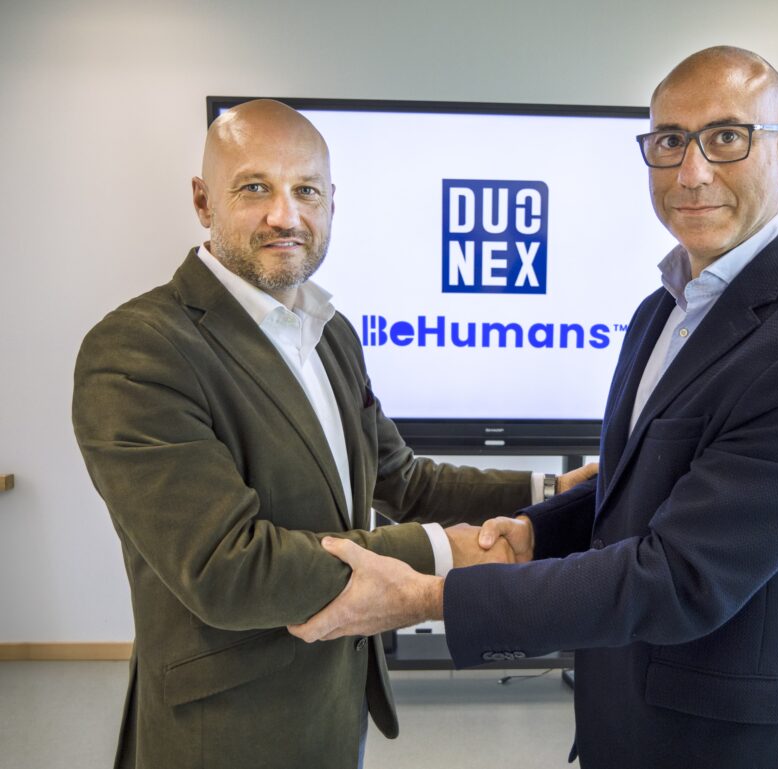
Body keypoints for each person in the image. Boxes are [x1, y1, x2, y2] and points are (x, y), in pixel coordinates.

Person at [289, 46, 778, 769]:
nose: (691, 172)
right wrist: (534, 530)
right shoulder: (659, 312)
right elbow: (648, 490)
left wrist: (431, 598)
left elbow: (680, 576)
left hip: (727, 744)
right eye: (669, 141)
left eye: (727, 137)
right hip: (627, 717)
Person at [72, 99, 592, 769]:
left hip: (335, 704)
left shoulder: (330, 333)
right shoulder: (140, 349)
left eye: (306, 191)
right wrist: (447, 552)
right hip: (225, 732)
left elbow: (402, 479)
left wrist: (550, 491)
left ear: (332, 203)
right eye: (255, 188)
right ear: (203, 201)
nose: (284, 215)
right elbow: (226, 566)